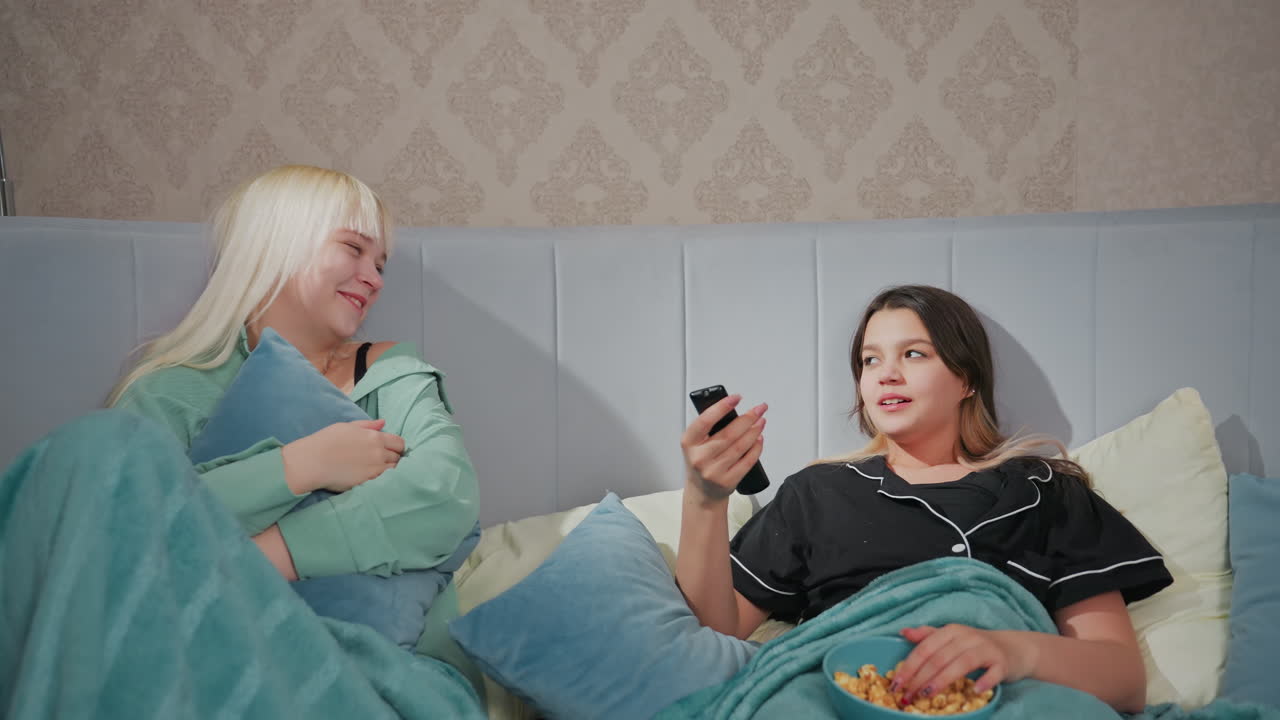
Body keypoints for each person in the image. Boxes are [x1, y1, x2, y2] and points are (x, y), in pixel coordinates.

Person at [675, 284, 1172, 714]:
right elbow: (713, 630)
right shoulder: (819, 493)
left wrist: (1009, 650)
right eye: (871, 360)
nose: (886, 374)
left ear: (967, 378)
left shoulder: (1046, 492)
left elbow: (1123, 680)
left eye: (914, 354)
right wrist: (705, 497)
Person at [106, 165, 481, 683]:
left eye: (381, 264)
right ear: (277, 244)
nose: (374, 279)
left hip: (396, 672)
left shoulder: (389, 369)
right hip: (215, 667)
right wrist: (303, 465)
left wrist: (266, 556)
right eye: (354, 249)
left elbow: (446, 496)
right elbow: (126, 533)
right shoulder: (169, 390)